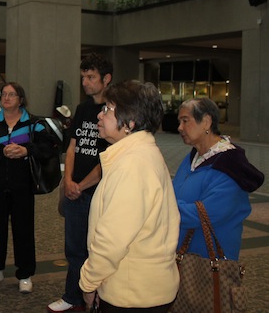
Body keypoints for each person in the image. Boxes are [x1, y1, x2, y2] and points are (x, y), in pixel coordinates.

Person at [79, 80, 180, 312]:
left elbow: (111, 241)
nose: (99, 116)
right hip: (141, 286)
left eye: (107, 109)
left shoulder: (132, 165)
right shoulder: (138, 155)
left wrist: (88, 283)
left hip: (132, 291)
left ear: (129, 122)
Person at [0, 82, 55, 294]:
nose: (6, 98)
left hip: (23, 186)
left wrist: (25, 151)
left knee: (23, 230)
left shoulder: (34, 123)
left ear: (21, 99)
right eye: (4, 94)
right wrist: (1, 152)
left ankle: (25, 273)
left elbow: (47, 149)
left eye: (12, 94)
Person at [48, 52, 112, 312]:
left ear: (106, 79)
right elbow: (73, 146)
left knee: (98, 248)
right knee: (74, 249)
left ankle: (99, 297)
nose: (85, 82)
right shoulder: (83, 109)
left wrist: (82, 184)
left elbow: (109, 157)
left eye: (91, 77)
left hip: (98, 192)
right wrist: (68, 179)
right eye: (83, 77)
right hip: (75, 191)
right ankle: (73, 295)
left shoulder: (113, 112)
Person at [173, 98, 264, 260]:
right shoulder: (193, 157)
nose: (180, 127)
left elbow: (205, 214)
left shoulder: (229, 165)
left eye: (185, 121)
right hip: (184, 253)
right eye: (179, 121)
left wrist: (164, 210)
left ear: (206, 122)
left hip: (209, 259)